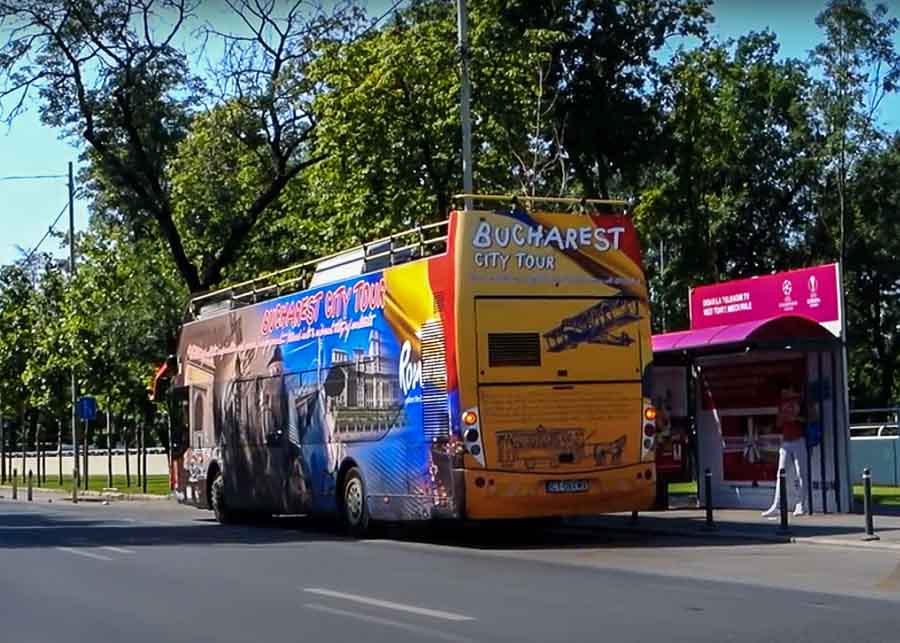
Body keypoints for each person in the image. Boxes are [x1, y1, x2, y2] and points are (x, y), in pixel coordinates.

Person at [762, 380, 806, 518]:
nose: (783, 394)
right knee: (781, 473)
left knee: (800, 473)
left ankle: (800, 505)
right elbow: (778, 423)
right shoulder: (781, 403)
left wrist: (795, 417)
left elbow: (810, 418)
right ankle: (776, 505)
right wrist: (782, 418)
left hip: (799, 439)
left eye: (785, 390)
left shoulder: (800, 401)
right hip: (786, 441)